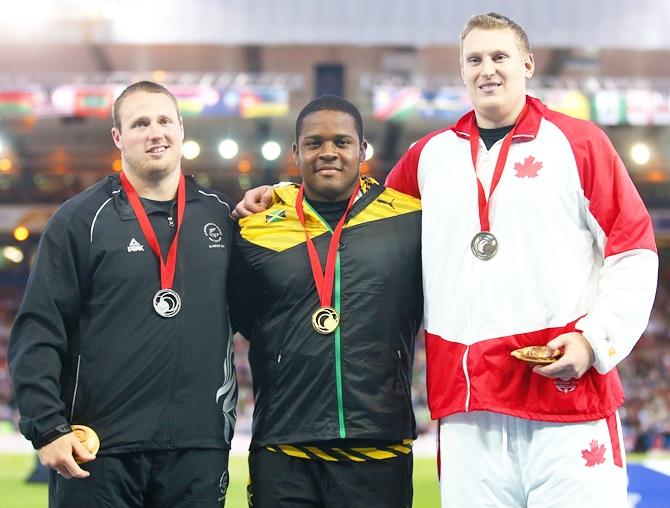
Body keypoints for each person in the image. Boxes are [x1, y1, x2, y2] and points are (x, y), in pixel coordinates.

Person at [235, 13, 658, 508]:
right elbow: (358, 211)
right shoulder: (429, 156)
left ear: (527, 63)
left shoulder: (580, 144)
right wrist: (285, 198)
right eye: (474, 59)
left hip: (564, 394)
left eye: (499, 56)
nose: (488, 70)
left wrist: (595, 340)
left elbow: (633, 246)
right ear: (461, 72)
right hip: (468, 410)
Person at [9, 81, 238, 508]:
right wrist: (47, 427)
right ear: (118, 137)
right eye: (140, 123)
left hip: (198, 447)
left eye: (164, 120)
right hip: (98, 448)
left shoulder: (222, 216)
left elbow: (260, 310)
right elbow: (39, 327)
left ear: (182, 128)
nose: (155, 132)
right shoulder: (79, 220)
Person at [229, 94, 422, 507]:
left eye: (342, 142)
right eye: (314, 143)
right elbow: (243, 319)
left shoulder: (411, 221)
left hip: (379, 446)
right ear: (296, 151)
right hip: (284, 451)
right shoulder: (255, 227)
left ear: (362, 149)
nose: (328, 152)